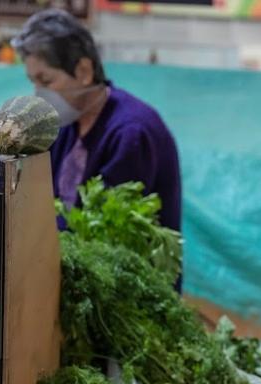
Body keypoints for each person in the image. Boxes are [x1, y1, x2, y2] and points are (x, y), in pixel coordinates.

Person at [12, 9, 181, 231]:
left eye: (46, 81)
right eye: (34, 82)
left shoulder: (130, 133)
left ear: (83, 71)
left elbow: (108, 233)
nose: (39, 94)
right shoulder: (67, 125)